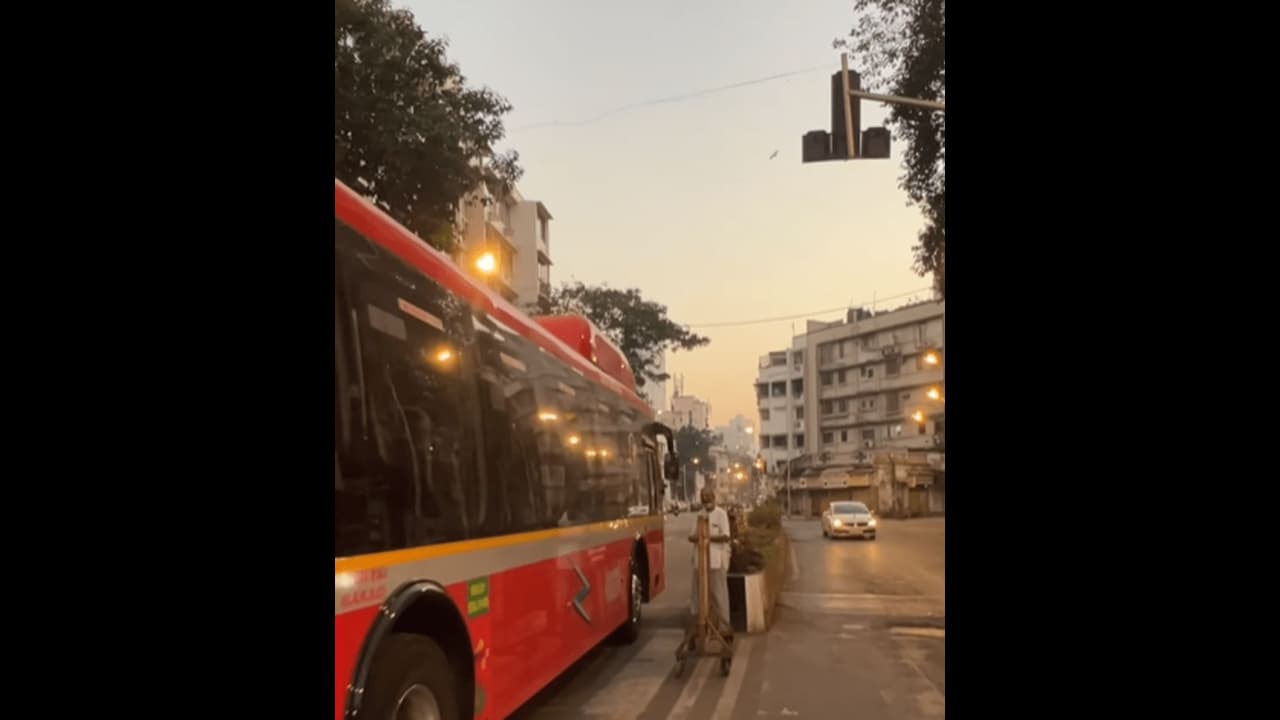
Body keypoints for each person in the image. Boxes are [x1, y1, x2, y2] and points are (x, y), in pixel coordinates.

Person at [689, 487, 732, 630]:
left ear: (713, 498)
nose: (705, 498)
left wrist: (708, 537)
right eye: (702, 496)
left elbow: (726, 536)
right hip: (699, 563)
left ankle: (725, 629)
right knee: (698, 597)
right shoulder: (699, 515)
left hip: (716, 561)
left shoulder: (721, 514)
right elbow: (691, 536)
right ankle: (698, 629)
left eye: (707, 495)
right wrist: (700, 538)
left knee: (719, 596)